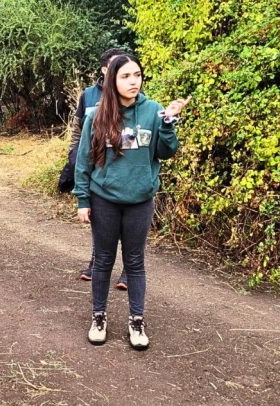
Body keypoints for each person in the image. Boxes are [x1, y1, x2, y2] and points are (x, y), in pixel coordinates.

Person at [73, 54, 190, 350]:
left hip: (140, 200)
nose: (133, 81)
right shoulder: (97, 115)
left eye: (137, 75)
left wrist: (168, 123)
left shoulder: (153, 111)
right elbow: (84, 160)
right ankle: (98, 317)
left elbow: (165, 152)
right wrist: (82, 199)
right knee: (102, 261)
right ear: (112, 79)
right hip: (104, 200)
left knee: (135, 263)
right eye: (125, 76)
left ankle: (136, 321)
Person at [57, 48, 131, 289]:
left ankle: (128, 272)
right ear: (103, 70)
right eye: (114, 67)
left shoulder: (131, 96)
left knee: (127, 224)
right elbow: (78, 129)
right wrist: (74, 153)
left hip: (121, 168)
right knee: (99, 219)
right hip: (93, 165)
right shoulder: (87, 95)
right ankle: (96, 262)